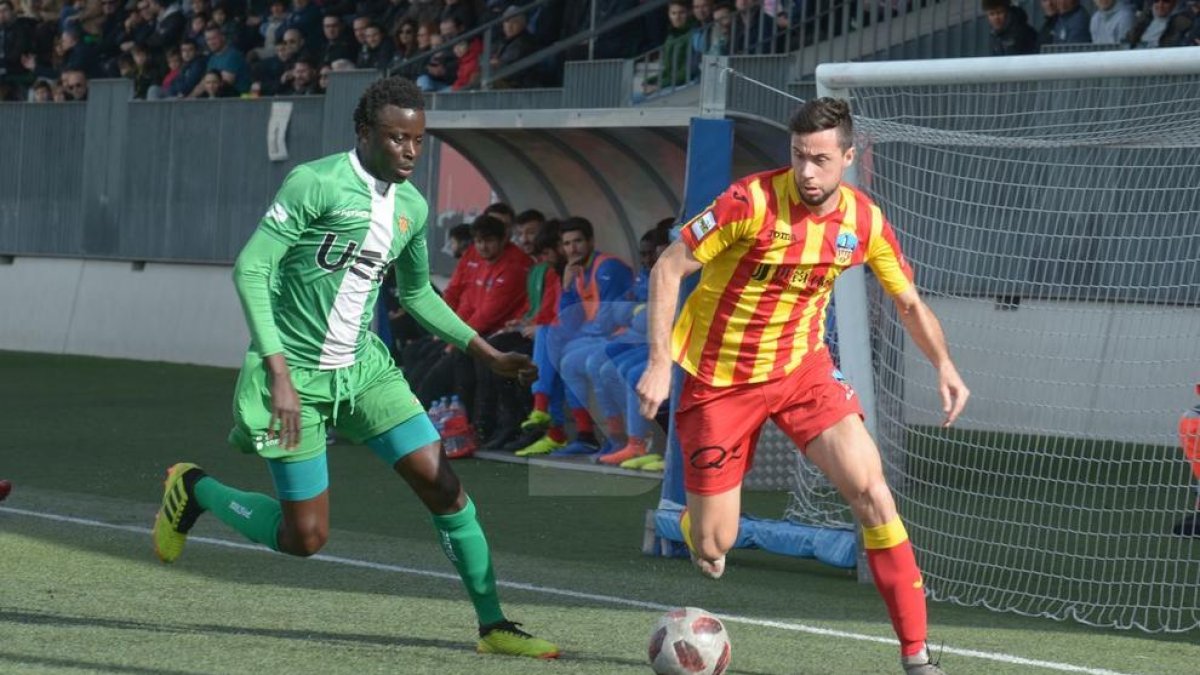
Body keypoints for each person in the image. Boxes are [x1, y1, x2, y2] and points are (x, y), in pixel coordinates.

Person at [151, 76, 559, 661]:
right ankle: (195, 488)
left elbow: (417, 294)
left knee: (443, 486)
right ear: (365, 133)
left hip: (366, 373)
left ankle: (494, 623)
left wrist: (487, 352)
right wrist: (281, 375)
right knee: (305, 538)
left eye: (418, 140)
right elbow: (250, 270)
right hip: (292, 377)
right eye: (396, 139)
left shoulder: (412, 208)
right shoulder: (314, 183)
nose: (410, 152)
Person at [635, 98, 969, 675]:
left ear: (848, 156)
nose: (807, 172)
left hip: (801, 372)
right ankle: (698, 528)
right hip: (719, 381)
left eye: (819, 159)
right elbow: (669, 267)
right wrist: (660, 362)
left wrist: (944, 364)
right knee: (714, 549)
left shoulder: (863, 221)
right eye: (797, 157)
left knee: (872, 493)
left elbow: (908, 301)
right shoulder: (749, 202)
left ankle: (917, 657)